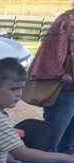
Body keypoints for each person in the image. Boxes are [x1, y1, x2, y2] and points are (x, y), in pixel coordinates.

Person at [29, 2, 74, 153]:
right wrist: (61, 75)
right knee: (52, 141)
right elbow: (50, 54)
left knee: (69, 146)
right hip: (65, 91)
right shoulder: (65, 21)